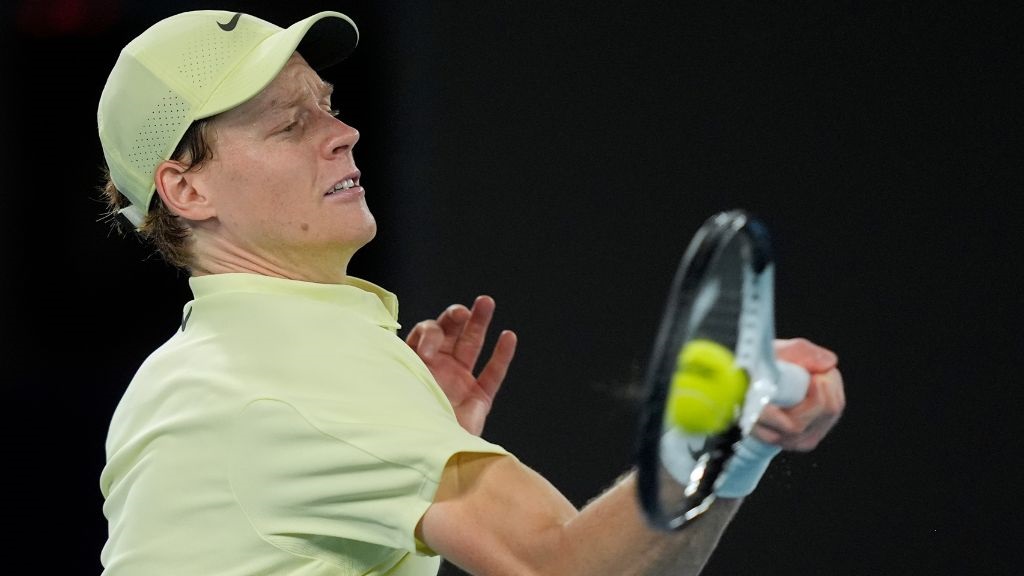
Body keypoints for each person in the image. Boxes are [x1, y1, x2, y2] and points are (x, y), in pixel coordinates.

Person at [96, 8, 846, 576]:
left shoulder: (185, 372)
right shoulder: (294, 371)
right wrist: (718, 428)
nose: (343, 131)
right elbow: (564, 567)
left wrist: (412, 444)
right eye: (291, 122)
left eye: (327, 103)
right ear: (186, 189)